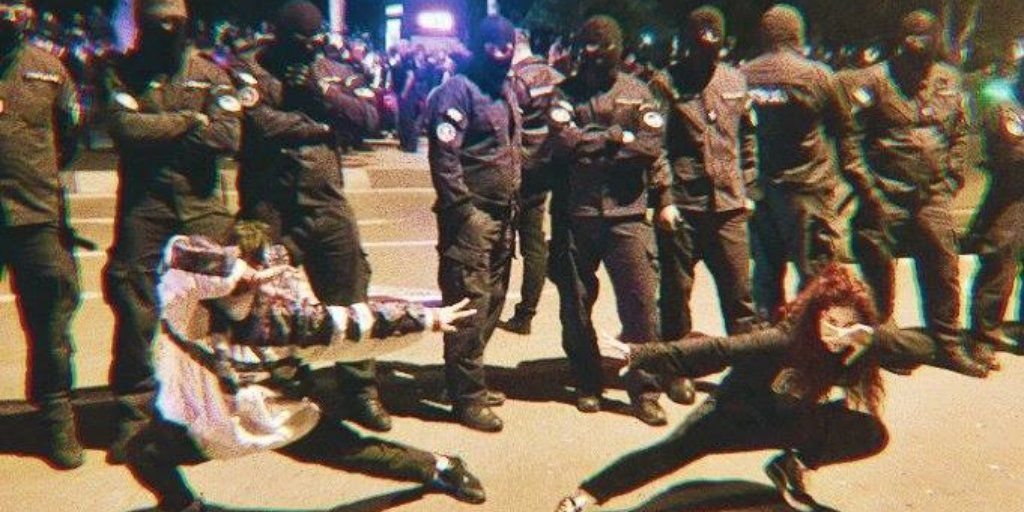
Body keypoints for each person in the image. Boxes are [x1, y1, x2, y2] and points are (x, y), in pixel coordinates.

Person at [125, 225, 487, 512]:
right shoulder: (187, 308)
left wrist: (427, 318)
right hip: (207, 425)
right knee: (143, 452)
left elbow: (357, 323)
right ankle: (184, 507)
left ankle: (441, 466)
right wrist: (238, 273)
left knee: (357, 452)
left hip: (277, 420)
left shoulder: (285, 320)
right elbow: (178, 255)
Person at [555, 264, 933, 512]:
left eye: (848, 325)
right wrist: (641, 354)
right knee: (671, 452)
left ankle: (791, 465)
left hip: (787, 419)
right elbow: (720, 349)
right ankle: (584, 496)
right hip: (734, 417)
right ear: (816, 315)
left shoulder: (858, 347)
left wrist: (874, 339)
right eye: (831, 322)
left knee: (870, 432)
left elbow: (924, 349)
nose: (837, 334)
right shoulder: (783, 339)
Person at [219, 0, 391, 434]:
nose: (309, 50)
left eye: (315, 42)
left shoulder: (332, 70)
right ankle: (284, 384)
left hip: (325, 200)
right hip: (263, 206)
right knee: (257, 295)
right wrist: (323, 127)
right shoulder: (248, 68)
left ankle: (360, 388)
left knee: (350, 292)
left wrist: (323, 95)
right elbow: (257, 126)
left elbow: (371, 117)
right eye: (301, 42)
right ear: (279, 36)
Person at [101, 0, 242, 460]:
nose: (166, 31)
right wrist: (189, 121)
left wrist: (160, 133)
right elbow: (125, 130)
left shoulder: (210, 73)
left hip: (202, 208)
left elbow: (227, 137)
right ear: (141, 26)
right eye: (156, 24)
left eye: (174, 24)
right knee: (136, 310)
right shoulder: (120, 73)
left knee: (211, 310)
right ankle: (136, 416)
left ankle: (207, 408)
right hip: (145, 209)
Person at [845, 10, 988, 377]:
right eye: (914, 47)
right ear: (903, 44)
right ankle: (884, 347)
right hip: (885, 194)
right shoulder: (874, 80)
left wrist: (952, 177)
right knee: (878, 275)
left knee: (943, 269)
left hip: (932, 194)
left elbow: (959, 131)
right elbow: (851, 141)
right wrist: (869, 190)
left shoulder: (948, 79)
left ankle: (948, 345)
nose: (921, 61)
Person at [546, 15, 672, 425]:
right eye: (588, 49)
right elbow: (564, 143)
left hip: (627, 215)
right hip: (577, 215)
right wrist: (617, 137)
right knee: (576, 306)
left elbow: (649, 148)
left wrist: (592, 140)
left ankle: (645, 389)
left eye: (604, 49)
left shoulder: (638, 92)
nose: (595, 57)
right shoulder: (564, 93)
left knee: (640, 306)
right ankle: (587, 380)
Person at [743, 4, 882, 322]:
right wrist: (862, 185)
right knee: (817, 278)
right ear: (797, 34)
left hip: (762, 191)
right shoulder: (818, 75)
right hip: (808, 190)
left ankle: (769, 339)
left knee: (765, 275)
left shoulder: (744, 76)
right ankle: (813, 340)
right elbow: (843, 132)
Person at [654, 7, 759, 406]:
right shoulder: (666, 83)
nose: (706, 54)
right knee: (676, 294)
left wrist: (748, 186)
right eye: (699, 47)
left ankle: (747, 372)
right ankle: (677, 368)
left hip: (729, 207)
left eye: (713, 47)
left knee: (740, 294)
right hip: (684, 206)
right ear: (688, 43)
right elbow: (656, 148)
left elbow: (748, 138)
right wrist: (664, 199)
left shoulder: (735, 80)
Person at [425, 15, 520, 432]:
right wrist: (464, 211)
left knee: (493, 300)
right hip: (472, 218)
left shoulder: (506, 89)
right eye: (493, 47)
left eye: (508, 47)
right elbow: (444, 159)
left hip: (504, 215)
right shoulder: (457, 91)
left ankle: (463, 380)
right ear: (479, 47)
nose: (502, 54)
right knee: (469, 304)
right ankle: (467, 398)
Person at [0, 0, 84, 469]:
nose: (8, 15)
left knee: (52, 324)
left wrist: (38, 177)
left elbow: (69, 137)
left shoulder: (50, 71)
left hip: (36, 216)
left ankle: (55, 417)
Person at [497, 30, 564, 335]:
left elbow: (507, 125)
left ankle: (492, 309)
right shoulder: (558, 77)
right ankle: (526, 313)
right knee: (534, 243)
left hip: (520, 167)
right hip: (548, 166)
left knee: (502, 239)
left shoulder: (517, 80)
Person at [967, 59, 1024, 369]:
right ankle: (983, 337)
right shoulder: (1006, 106)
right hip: (1011, 197)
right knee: (999, 263)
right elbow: (1013, 153)